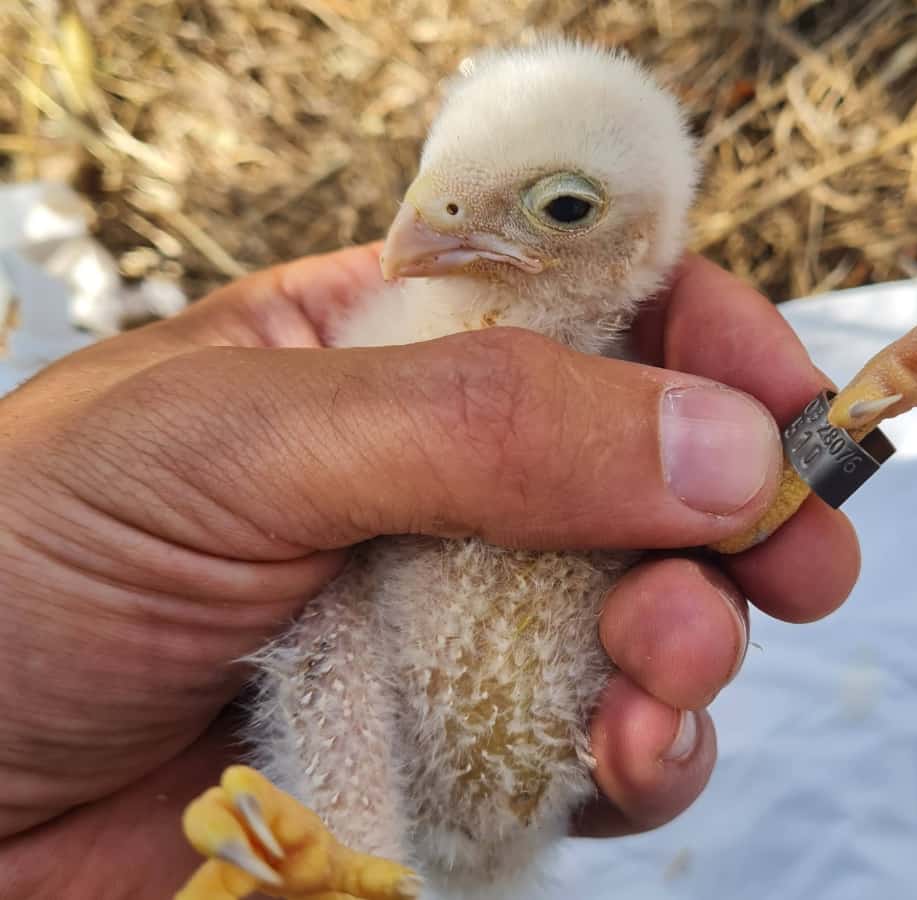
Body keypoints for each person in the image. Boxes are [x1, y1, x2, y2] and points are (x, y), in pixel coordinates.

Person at [0, 244, 860, 896]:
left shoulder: (637, 389)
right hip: (377, 783)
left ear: (637, 242)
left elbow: (738, 517)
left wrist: (864, 410)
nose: (416, 230)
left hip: (508, 811)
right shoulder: (394, 349)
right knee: (327, 614)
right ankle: (341, 861)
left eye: (559, 208)